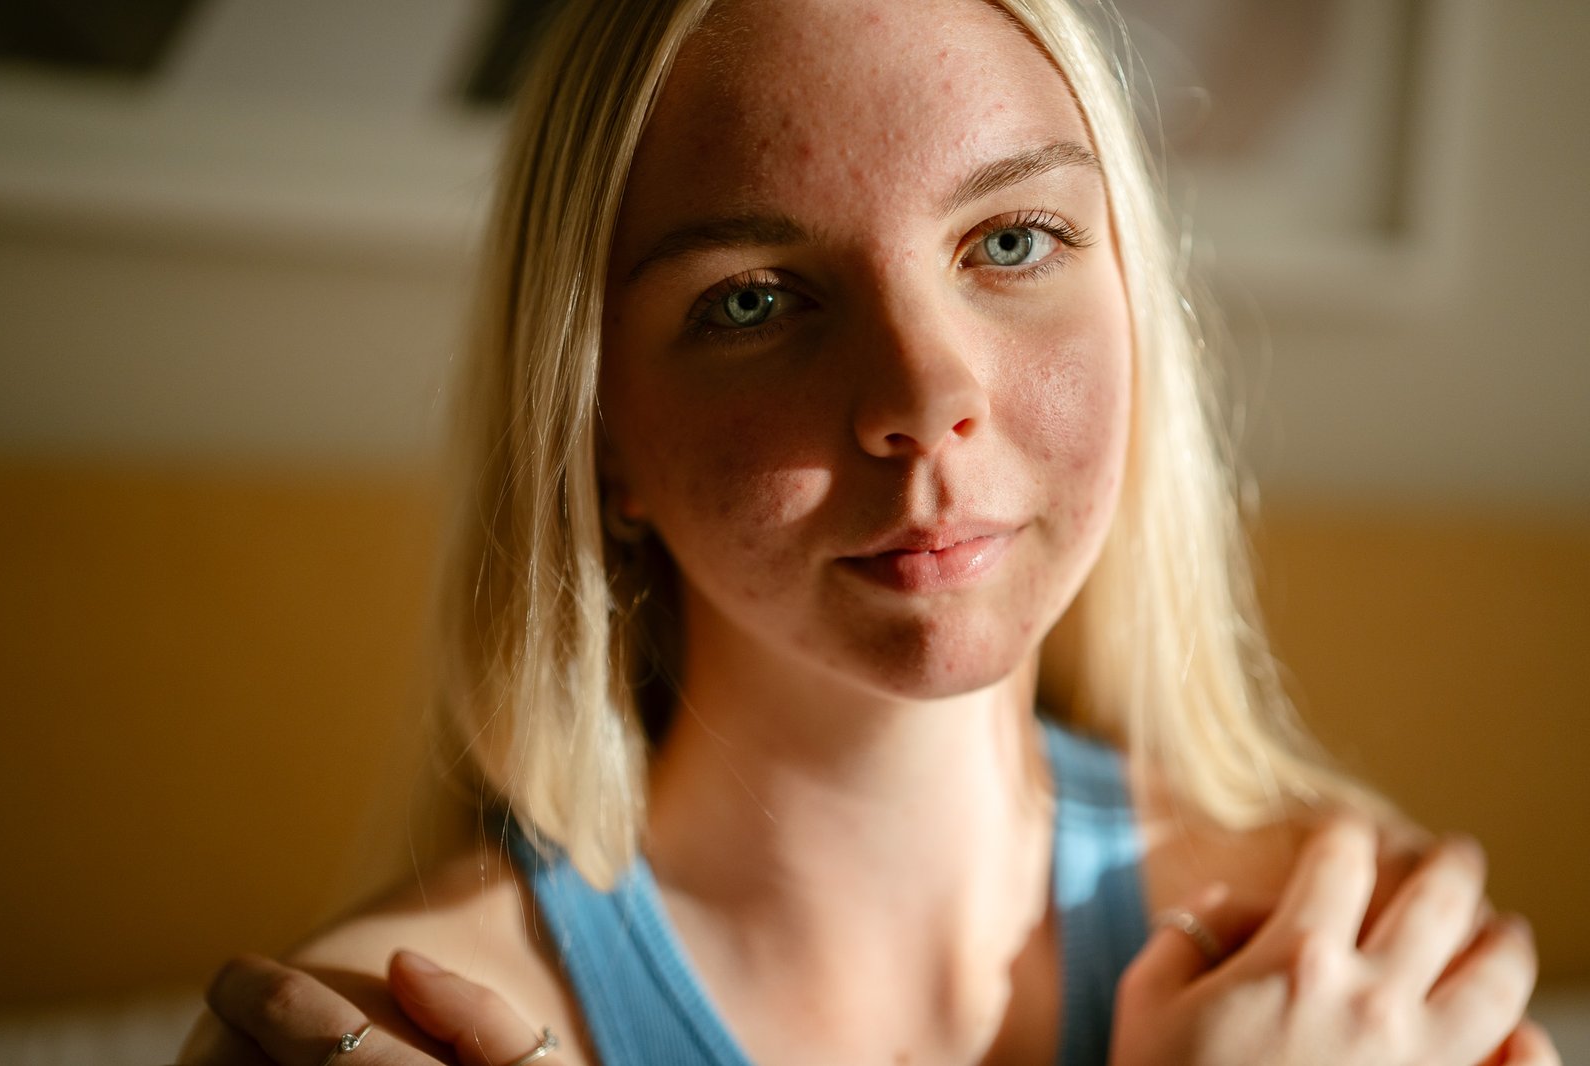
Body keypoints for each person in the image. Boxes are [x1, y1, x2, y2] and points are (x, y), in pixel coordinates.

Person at [180, 0, 1557, 1063]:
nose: (921, 399)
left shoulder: (1355, 967)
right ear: (597, 434)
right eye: (755, 300)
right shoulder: (391, 1028)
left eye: (1011, 241)